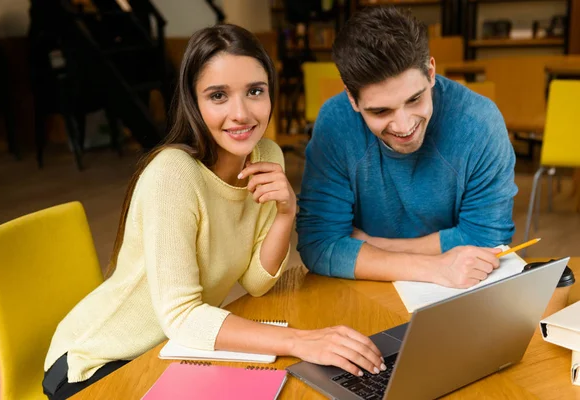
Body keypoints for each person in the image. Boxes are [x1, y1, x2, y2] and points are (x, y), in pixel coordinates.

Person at [42, 24, 384, 400]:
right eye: (218, 95)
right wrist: (300, 341)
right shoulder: (173, 174)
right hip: (98, 364)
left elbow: (257, 282)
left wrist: (286, 213)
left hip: (174, 351)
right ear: (194, 101)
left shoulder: (266, 155)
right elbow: (183, 316)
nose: (241, 114)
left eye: (255, 91)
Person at [296, 7, 518, 289]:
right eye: (380, 111)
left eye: (415, 100)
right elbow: (319, 245)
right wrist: (436, 267)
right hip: (365, 287)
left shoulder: (479, 123)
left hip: (456, 288)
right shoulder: (335, 123)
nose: (403, 126)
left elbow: (488, 242)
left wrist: (373, 246)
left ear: (431, 71)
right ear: (352, 99)